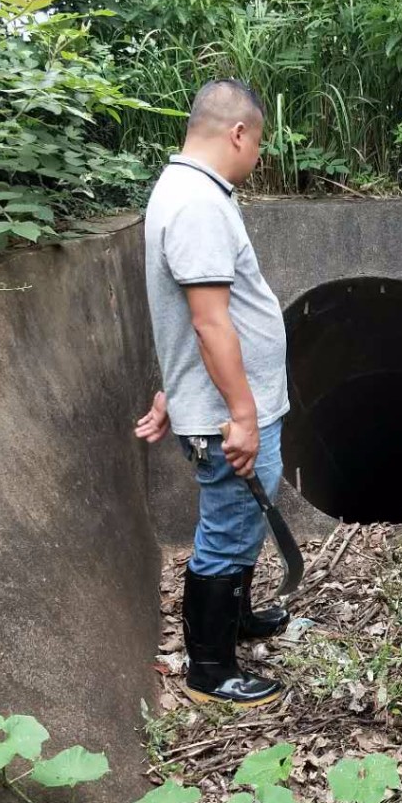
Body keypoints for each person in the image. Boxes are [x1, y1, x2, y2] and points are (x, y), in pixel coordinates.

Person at [135, 79, 289, 710]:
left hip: (215, 403)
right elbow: (208, 322)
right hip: (228, 415)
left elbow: (181, 312)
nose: (258, 156)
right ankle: (210, 670)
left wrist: (174, 390)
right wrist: (243, 415)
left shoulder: (189, 191)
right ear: (238, 133)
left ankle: (237, 618)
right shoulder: (197, 203)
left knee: (242, 518)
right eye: (260, 143)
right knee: (227, 528)